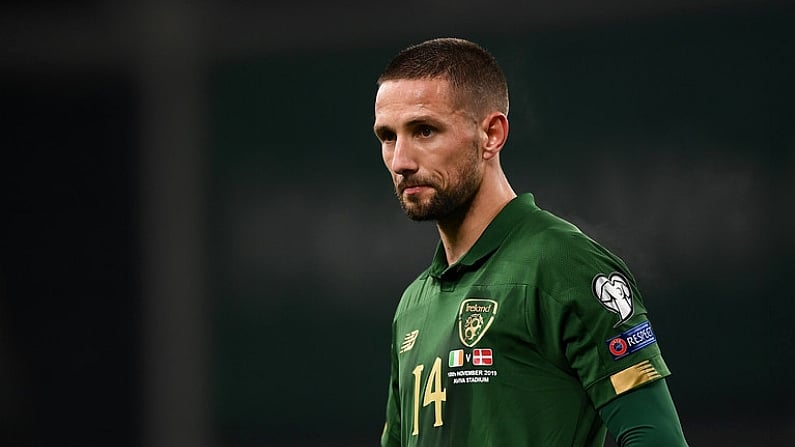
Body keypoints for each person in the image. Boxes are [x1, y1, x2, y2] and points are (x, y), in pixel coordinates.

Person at [373, 37, 688, 447]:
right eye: (388, 136)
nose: (401, 161)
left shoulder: (564, 265)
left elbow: (656, 437)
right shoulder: (413, 304)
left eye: (424, 130)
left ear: (491, 134)